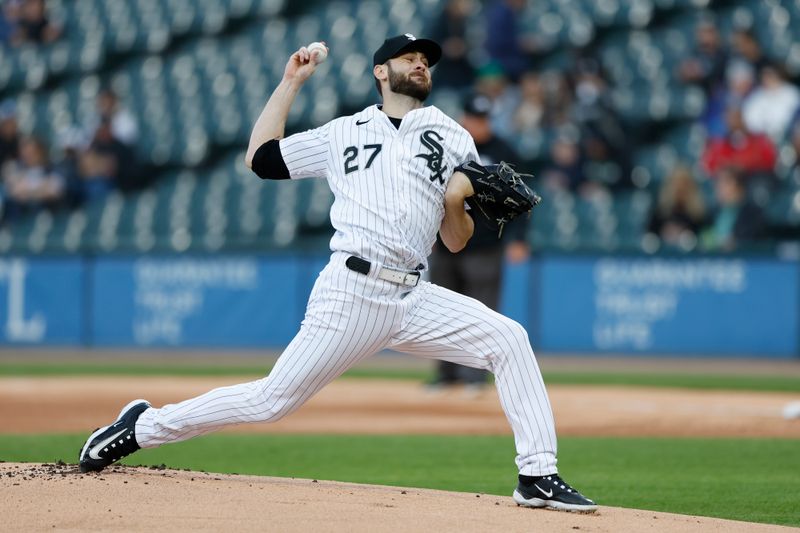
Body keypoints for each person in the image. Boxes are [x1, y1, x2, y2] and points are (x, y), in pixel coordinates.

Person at [78, 34, 597, 513]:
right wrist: (290, 83)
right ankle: (142, 427)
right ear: (380, 72)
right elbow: (261, 160)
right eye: (409, 57)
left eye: (426, 59)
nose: (420, 63)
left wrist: (458, 201)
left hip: (415, 295)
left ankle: (537, 474)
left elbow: (455, 240)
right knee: (270, 401)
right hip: (351, 291)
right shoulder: (344, 131)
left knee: (509, 339)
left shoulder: (454, 136)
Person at [428, 93, 528, 391]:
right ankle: (447, 375)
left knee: (481, 312)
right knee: (441, 310)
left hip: (486, 244)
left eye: (484, 119)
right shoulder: (448, 148)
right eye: (475, 118)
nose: (479, 125)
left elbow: (521, 200)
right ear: (464, 118)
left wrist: (518, 239)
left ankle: (475, 376)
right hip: (446, 243)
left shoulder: (503, 150)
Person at [701, 166, 766, 251]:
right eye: (718, 183)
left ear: (738, 185)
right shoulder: (714, 212)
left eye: (724, 182)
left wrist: (736, 242)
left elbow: (753, 242)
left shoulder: (753, 214)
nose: (718, 187)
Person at [646, 164, 707, 249]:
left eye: (684, 183)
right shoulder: (660, 211)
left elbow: (705, 237)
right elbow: (649, 235)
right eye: (676, 183)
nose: (680, 188)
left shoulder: (699, 213)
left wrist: (684, 233)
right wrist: (665, 232)